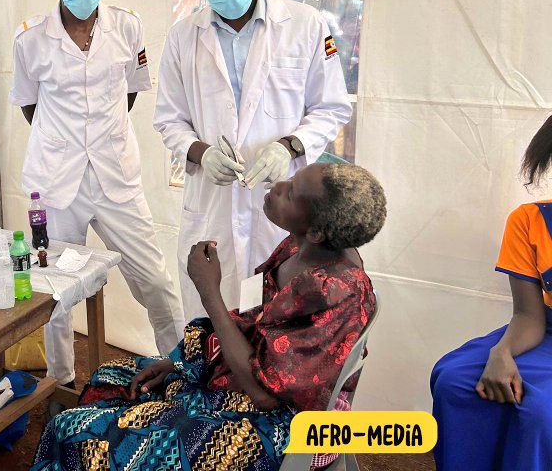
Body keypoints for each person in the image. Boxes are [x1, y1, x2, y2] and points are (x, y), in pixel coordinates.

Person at [32, 162, 385, 471]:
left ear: (317, 231)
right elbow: (254, 323)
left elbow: (265, 395)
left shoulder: (337, 293)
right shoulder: (298, 248)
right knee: (109, 379)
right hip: (245, 378)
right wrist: (176, 364)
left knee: (77, 433)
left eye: (290, 194)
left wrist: (208, 291)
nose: (277, 188)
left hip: (282, 423)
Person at [154, 0, 352, 319]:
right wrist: (201, 153)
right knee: (209, 324)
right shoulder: (182, 37)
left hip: (280, 207)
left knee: (274, 323)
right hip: (212, 208)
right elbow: (169, 119)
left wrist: (289, 147)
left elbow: (331, 107)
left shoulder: (305, 24)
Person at [10, 0, 184, 387]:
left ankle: (184, 371)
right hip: (56, 183)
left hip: (115, 177)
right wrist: (66, 142)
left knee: (155, 282)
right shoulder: (30, 39)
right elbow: (30, 106)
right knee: (54, 291)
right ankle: (61, 382)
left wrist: (97, 138)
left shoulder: (126, 26)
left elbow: (129, 92)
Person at [430, 115, 552, 469]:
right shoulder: (528, 220)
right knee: (453, 380)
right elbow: (529, 316)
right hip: (543, 332)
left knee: (542, 414)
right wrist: (502, 352)